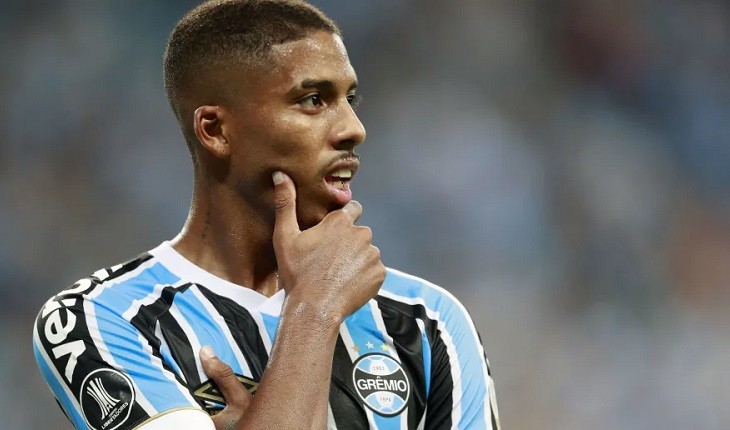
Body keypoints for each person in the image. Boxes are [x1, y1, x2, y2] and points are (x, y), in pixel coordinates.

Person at [32, 1, 500, 429]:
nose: (354, 129)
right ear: (215, 130)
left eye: (350, 99)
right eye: (313, 100)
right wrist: (315, 307)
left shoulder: (427, 322)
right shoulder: (99, 319)